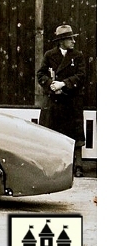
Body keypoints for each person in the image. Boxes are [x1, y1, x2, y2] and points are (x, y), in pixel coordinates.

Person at [36, 25, 87, 177]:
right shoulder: (49, 55)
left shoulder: (77, 56)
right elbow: (41, 74)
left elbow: (81, 76)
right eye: (70, 39)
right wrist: (51, 85)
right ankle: (53, 166)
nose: (73, 42)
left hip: (72, 101)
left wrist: (63, 84)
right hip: (54, 101)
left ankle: (77, 165)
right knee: (52, 134)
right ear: (61, 41)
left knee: (75, 136)